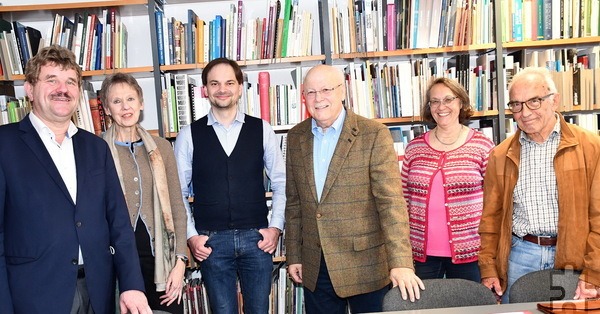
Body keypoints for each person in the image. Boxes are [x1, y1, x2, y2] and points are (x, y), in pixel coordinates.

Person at [0, 45, 151, 313]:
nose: (63, 88)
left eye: (70, 81)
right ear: (30, 89)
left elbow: (118, 222)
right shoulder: (5, 144)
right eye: (51, 80)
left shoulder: (95, 148)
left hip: (97, 290)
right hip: (34, 296)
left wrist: (131, 285)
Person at [284, 64, 424, 314]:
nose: (318, 99)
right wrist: (294, 253)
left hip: (366, 265)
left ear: (342, 91)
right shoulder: (295, 138)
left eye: (326, 90)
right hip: (316, 266)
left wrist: (401, 262)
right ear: (303, 97)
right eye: (311, 92)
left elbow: (390, 202)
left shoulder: (373, 134)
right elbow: (294, 203)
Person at [478, 66, 600, 303]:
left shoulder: (591, 147)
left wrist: (594, 270)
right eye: (516, 104)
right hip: (521, 255)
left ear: (554, 101)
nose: (524, 112)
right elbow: (491, 218)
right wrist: (488, 267)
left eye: (534, 101)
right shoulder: (500, 155)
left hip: (571, 259)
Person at [173, 58, 286, 314]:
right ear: (205, 90)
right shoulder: (189, 134)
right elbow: (177, 191)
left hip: (256, 239)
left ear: (239, 87)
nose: (222, 89)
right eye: (214, 83)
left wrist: (275, 228)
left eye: (228, 82)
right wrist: (192, 237)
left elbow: (281, 182)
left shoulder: (262, 130)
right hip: (211, 241)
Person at [100, 73, 188, 313]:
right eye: (116, 101)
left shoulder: (162, 147)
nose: (125, 107)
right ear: (107, 108)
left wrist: (180, 261)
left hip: (162, 262)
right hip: (118, 265)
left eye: (130, 98)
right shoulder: (97, 149)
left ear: (141, 103)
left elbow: (178, 207)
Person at [401, 77, 494, 282]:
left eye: (448, 99)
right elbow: (403, 200)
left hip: (470, 254)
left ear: (461, 102)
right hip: (420, 256)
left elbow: (494, 203)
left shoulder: (483, 146)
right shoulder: (414, 148)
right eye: (434, 101)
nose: (441, 107)